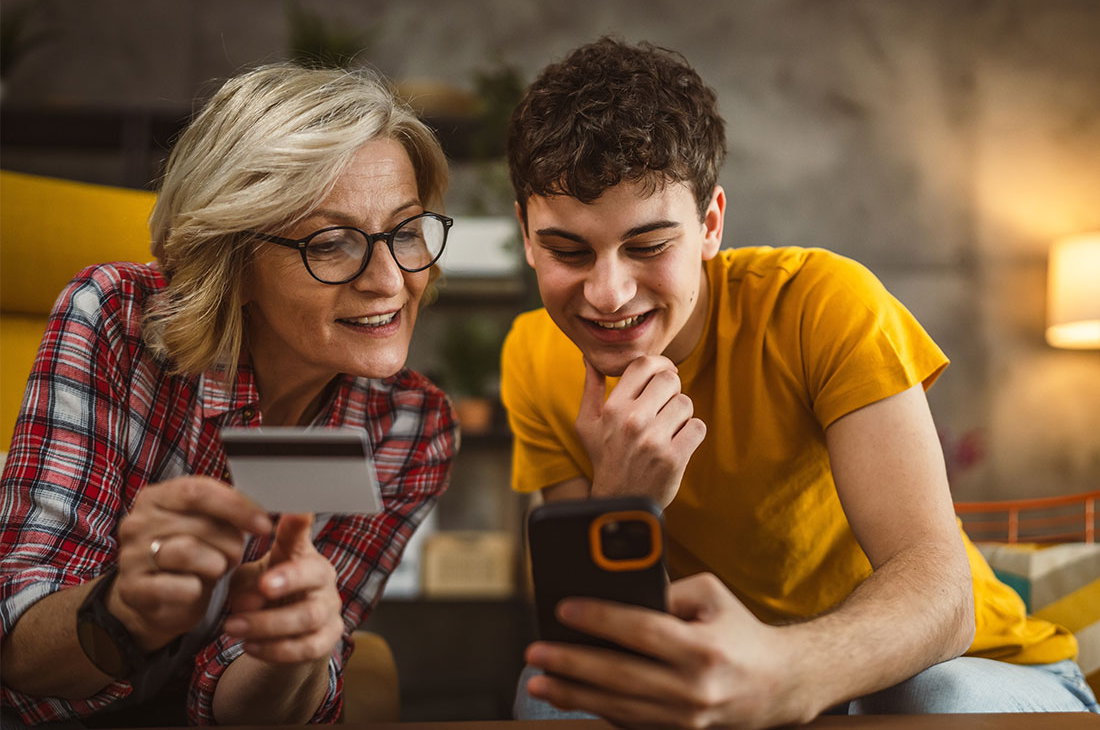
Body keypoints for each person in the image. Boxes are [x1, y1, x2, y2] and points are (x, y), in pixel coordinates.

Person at [501, 37, 1099, 727]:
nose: (607, 294)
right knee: (547, 697)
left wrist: (784, 673)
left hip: (974, 670)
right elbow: (598, 635)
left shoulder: (824, 303)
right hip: (737, 682)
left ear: (710, 225)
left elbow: (943, 592)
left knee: (932, 702)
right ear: (524, 234)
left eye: (648, 246)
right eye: (567, 250)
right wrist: (622, 500)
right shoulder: (533, 355)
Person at [0, 63, 457, 727]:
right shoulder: (117, 323)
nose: (389, 280)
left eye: (407, 230)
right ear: (233, 259)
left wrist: (295, 648)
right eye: (332, 244)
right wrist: (124, 611)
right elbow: (15, 636)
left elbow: (249, 705)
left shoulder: (411, 429)